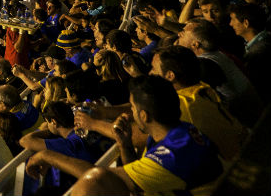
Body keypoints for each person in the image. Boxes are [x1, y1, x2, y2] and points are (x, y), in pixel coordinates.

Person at [29, 76, 222, 195]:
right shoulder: (179, 131)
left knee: (92, 184)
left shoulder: (172, 155)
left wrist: (47, 155)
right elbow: (135, 184)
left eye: (132, 108)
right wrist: (124, 144)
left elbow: (104, 177)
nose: (129, 113)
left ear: (144, 115)